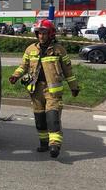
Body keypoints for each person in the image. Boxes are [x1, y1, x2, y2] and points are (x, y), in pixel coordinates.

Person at [8, 19, 79, 158]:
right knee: (40, 119)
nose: (41, 36)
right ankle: (44, 143)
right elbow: (24, 66)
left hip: (52, 91)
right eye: (39, 33)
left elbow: (68, 71)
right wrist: (15, 76)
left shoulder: (59, 50)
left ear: (51, 34)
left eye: (44, 33)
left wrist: (74, 87)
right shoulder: (30, 49)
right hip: (35, 90)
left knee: (52, 118)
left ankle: (55, 145)